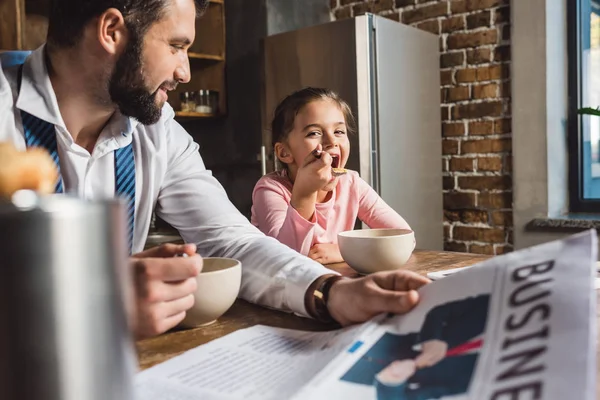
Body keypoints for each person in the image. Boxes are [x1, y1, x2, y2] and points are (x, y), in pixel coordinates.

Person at [0, 0, 430, 340]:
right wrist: (93, 303)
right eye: (176, 46)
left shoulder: (158, 131)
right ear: (112, 31)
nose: (185, 72)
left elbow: (230, 239)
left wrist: (329, 292)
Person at [251, 87, 413, 264]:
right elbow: (286, 259)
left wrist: (343, 252)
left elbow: (404, 238)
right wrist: (305, 193)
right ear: (284, 153)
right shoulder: (270, 189)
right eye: (314, 133)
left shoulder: (351, 183)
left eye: (339, 132)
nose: (331, 141)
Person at [340, 294, 490, 400]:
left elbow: (413, 397)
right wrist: (432, 338)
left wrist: (391, 381)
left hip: (358, 371)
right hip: (375, 336)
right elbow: (441, 312)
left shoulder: (480, 378)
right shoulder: (491, 306)